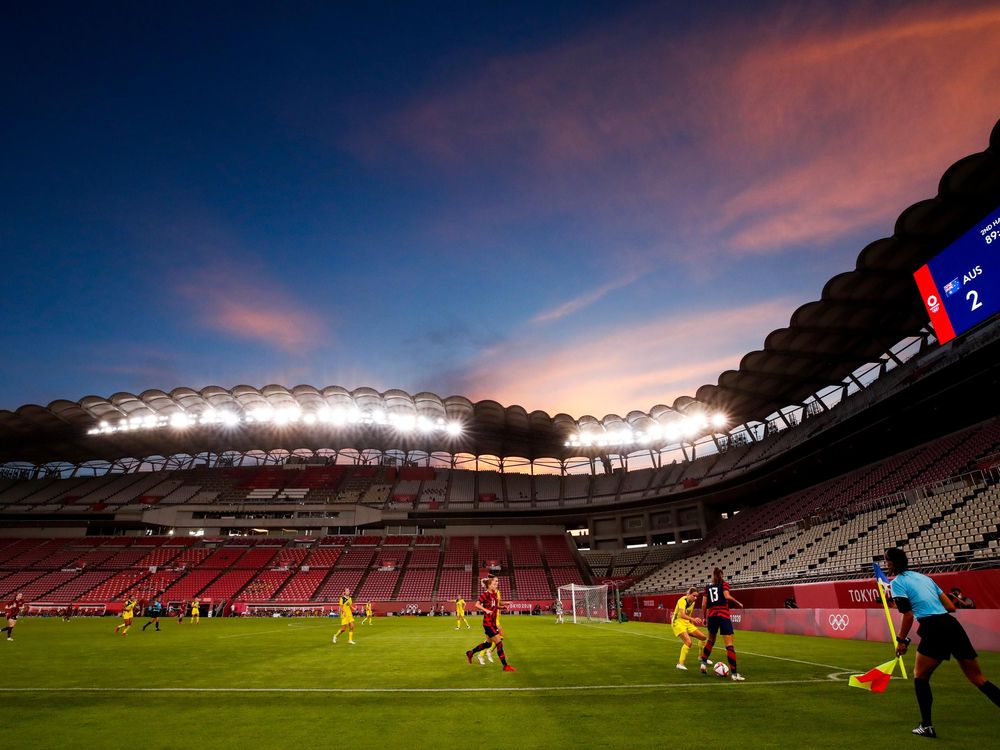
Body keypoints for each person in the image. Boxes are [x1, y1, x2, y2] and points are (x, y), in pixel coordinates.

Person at [884, 547, 1000, 738]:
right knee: (978, 678)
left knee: (920, 676)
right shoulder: (925, 578)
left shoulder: (898, 583)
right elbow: (950, 607)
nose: (885, 563)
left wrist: (901, 641)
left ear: (892, 563)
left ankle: (927, 726)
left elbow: (908, 615)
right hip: (952, 626)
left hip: (933, 628)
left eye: (886, 560)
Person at [698, 567, 745, 681]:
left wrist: (704, 617)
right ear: (721, 575)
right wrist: (738, 603)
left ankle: (703, 663)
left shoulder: (708, 587)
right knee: (729, 645)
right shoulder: (724, 584)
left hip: (712, 616)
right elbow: (726, 596)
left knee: (710, 640)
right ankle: (734, 674)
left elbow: (704, 604)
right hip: (723, 615)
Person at [465, 576, 514, 672]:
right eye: (494, 584)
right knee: (499, 643)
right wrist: (485, 610)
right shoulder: (485, 594)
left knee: (488, 644)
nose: (496, 585)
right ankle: (505, 666)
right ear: (489, 585)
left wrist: (503, 607)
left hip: (492, 622)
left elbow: (495, 607)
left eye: (497, 583)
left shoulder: (495, 594)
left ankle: (471, 652)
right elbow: (477, 604)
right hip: (488, 623)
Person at [672, 586, 709, 671]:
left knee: (703, 637)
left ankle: (700, 657)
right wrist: (693, 619)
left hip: (687, 623)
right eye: (694, 595)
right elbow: (682, 615)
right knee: (688, 642)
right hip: (677, 623)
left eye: (696, 596)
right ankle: (680, 664)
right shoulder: (682, 600)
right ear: (688, 594)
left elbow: (688, 615)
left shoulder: (692, 602)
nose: (695, 598)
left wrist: (692, 624)